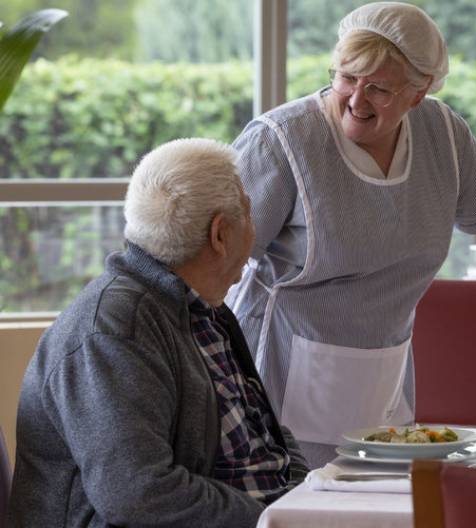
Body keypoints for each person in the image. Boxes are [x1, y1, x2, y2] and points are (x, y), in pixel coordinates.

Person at [226, 1, 476, 468]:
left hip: (384, 375)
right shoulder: (282, 141)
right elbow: (216, 260)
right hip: (279, 380)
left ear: (419, 91)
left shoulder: (442, 136)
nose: (356, 100)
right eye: (346, 77)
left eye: (379, 88)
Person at [9, 138, 308, 527]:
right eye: (250, 215)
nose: (256, 234)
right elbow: (137, 494)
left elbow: (266, 435)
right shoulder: (114, 331)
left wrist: (304, 499)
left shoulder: (202, 310)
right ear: (220, 235)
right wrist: (274, 520)